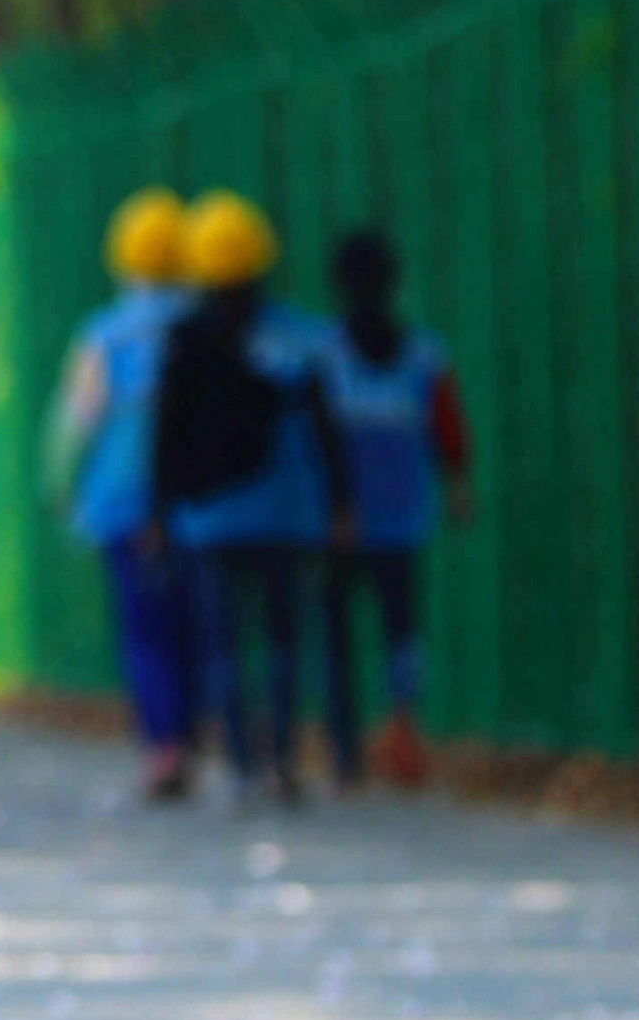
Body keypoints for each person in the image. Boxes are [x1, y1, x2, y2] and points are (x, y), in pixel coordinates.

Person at [141, 190, 345, 797]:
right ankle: (280, 754)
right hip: (288, 513)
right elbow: (325, 428)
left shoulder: (180, 342)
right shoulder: (300, 337)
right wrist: (340, 502)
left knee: (222, 647)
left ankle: (239, 762)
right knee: (283, 639)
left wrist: (158, 510)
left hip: (210, 520)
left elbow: (166, 435)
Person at [45, 186, 202, 797]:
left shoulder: (105, 336)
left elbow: (74, 422)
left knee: (142, 631)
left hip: (118, 504)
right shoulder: (203, 327)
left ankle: (161, 746)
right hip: (192, 508)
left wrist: (59, 487)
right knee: (190, 624)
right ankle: (190, 734)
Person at [313, 220, 471, 784]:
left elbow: (312, 439)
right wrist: (456, 484)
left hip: (339, 522)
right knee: (401, 629)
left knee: (336, 634)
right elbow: (448, 429)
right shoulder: (424, 354)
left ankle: (347, 751)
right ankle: (402, 729)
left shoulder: (323, 354)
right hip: (402, 516)